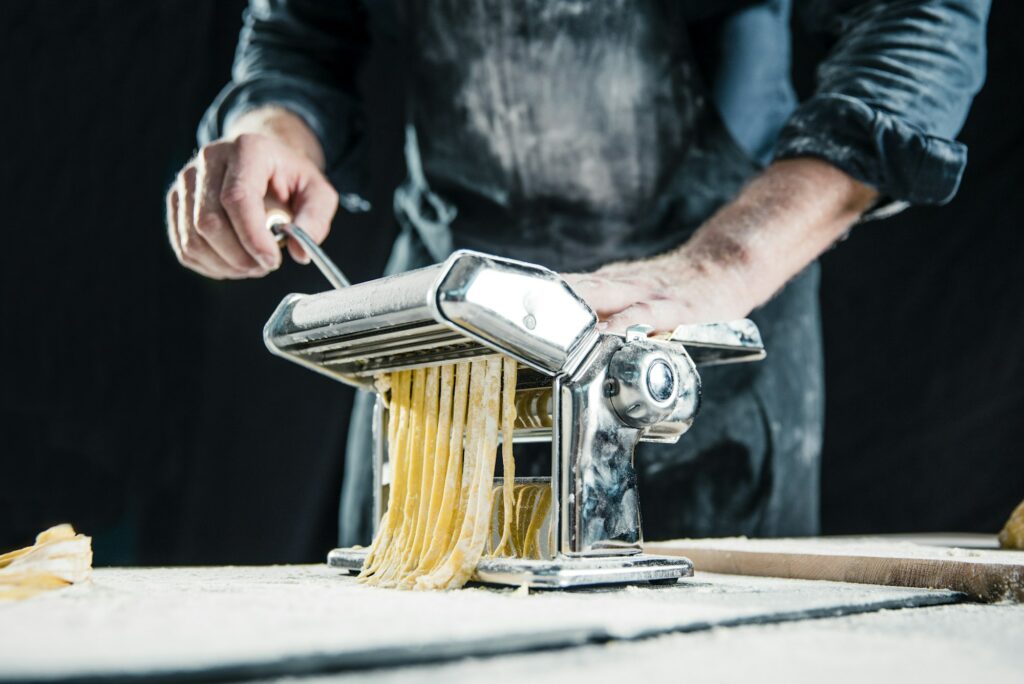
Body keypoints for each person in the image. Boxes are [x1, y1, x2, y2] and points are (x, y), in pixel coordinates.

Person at [166, 1, 989, 547]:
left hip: (698, 321)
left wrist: (721, 264)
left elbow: (921, 18)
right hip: (447, 345)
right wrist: (273, 130)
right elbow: (299, 37)